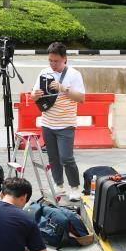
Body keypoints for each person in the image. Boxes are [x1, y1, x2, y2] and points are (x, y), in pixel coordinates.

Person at [31, 42, 85, 201]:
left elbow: (81, 98)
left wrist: (63, 88)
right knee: (53, 157)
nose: (53, 64)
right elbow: (33, 95)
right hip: (47, 122)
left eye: (56, 61)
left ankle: (75, 187)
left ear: (65, 59)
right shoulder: (44, 73)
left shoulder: (74, 74)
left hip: (66, 123)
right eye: (50, 61)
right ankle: (59, 185)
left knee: (66, 158)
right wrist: (36, 95)